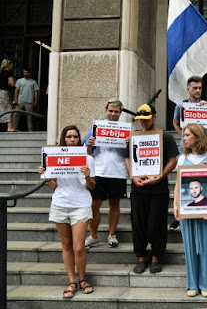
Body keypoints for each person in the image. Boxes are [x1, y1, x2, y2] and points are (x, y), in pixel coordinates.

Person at [38, 125, 95, 298]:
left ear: (79, 139)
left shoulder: (87, 158)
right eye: (69, 137)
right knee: (66, 245)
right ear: (64, 139)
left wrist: (87, 176)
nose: (72, 139)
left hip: (81, 204)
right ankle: (72, 281)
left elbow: (92, 186)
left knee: (78, 247)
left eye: (75, 137)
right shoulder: (55, 157)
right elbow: (54, 186)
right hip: (60, 203)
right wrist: (47, 177)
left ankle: (82, 278)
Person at [123, 103, 179, 274]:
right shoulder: (134, 137)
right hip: (138, 188)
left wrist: (160, 176)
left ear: (154, 117)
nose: (143, 123)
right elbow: (127, 158)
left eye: (146, 119)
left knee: (157, 223)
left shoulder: (166, 137)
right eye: (141, 120)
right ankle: (141, 257)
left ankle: (156, 257)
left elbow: (173, 160)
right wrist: (133, 176)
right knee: (138, 223)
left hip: (158, 188)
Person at [173, 123, 207, 298]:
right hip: (187, 209)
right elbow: (178, 184)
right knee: (189, 247)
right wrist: (175, 204)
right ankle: (192, 284)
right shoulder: (182, 158)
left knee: (206, 247)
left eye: (187, 135)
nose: (184, 138)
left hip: (206, 209)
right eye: (184, 135)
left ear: (198, 137)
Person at [170, 75, 207, 230]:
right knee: (185, 181)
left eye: (200, 88)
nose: (198, 91)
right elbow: (175, 123)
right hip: (187, 150)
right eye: (195, 88)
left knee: (206, 181)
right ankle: (180, 215)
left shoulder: (206, 105)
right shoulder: (180, 106)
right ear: (188, 89)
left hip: (204, 149)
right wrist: (183, 135)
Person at [83, 99, 128, 249]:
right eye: (111, 111)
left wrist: (130, 142)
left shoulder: (126, 129)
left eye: (116, 111)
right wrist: (89, 145)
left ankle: (111, 235)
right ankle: (93, 236)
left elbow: (132, 153)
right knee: (94, 204)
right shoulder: (96, 128)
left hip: (118, 172)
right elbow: (88, 152)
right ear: (106, 110)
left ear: (120, 113)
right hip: (98, 171)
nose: (113, 114)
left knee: (114, 204)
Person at [12, 67, 39, 131]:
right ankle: (13, 128)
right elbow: (16, 90)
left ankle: (30, 130)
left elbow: (36, 92)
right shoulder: (19, 80)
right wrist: (15, 99)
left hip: (29, 101)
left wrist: (35, 101)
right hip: (20, 100)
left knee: (29, 117)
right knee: (16, 115)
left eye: (26, 72)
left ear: (30, 73)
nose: (25, 74)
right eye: (24, 72)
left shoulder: (33, 82)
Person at [0, 59, 16, 132]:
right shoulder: (8, 73)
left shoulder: (0, 72)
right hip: (4, 92)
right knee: (8, 108)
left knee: (1, 108)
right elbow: (13, 84)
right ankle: (10, 127)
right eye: (11, 65)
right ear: (8, 65)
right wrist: (8, 84)